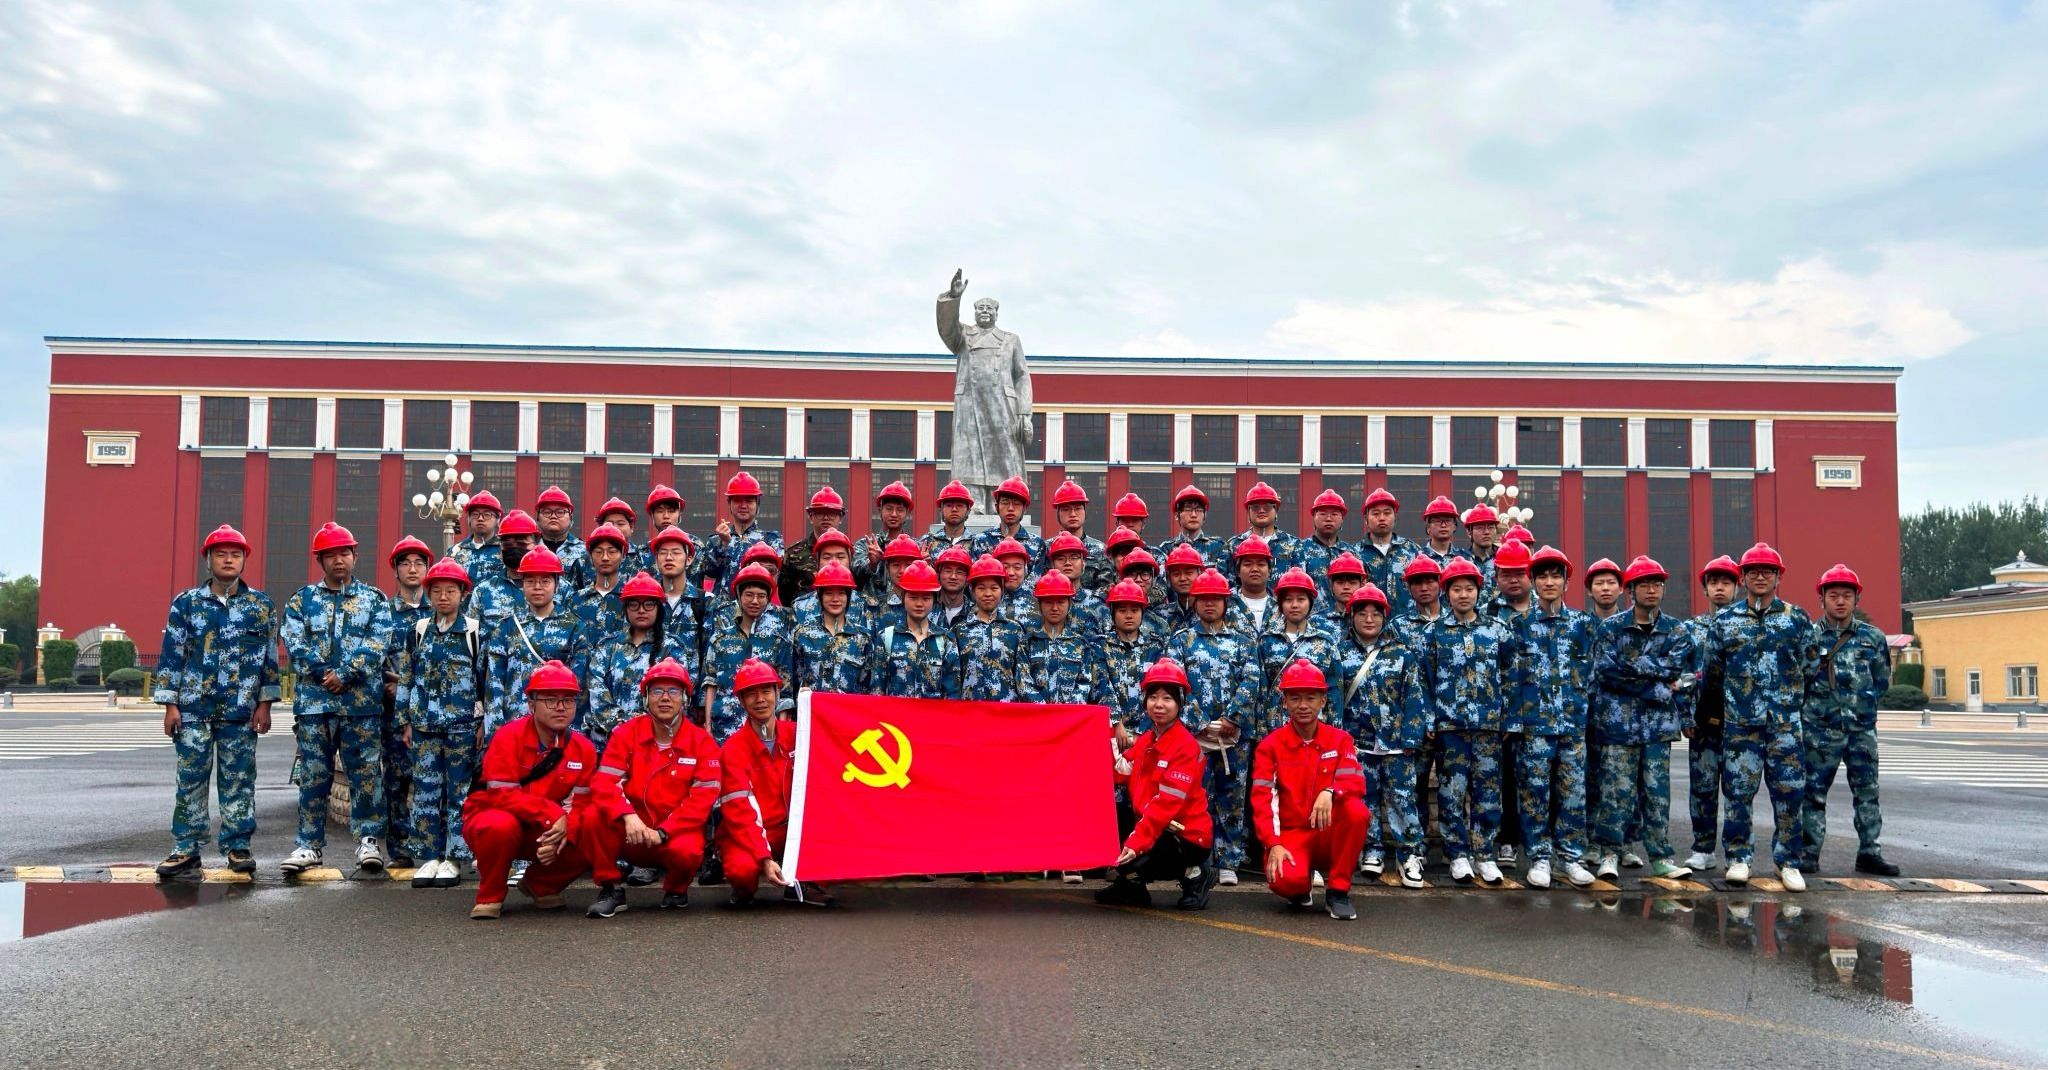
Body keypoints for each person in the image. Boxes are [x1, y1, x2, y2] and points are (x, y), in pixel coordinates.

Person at [152, 525, 280, 878]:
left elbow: (270, 659)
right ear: (208, 560)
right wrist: (170, 704)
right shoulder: (187, 604)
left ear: (244, 560)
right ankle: (186, 848)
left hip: (240, 711)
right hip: (193, 709)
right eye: (221, 554)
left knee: (239, 780)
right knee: (190, 779)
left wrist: (266, 703)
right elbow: (172, 654)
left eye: (235, 555)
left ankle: (238, 847)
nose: (228, 560)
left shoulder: (261, 607)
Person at [279, 522, 396, 875]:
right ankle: (308, 844)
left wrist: (345, 674)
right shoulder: (301, 601)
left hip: (361, 706)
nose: (339, 560)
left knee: (366, 776)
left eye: (345, 553)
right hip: (315, 706)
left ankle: (368, 841)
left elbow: (378, 643)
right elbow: (295, 643)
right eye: (330, 555)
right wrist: (323, 673)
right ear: (320, 560)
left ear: (355, 556)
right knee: (314, 776)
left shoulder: (374, 600)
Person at [1702, 542, 1815, 891]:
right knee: (1737, 794)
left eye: (1768, 571)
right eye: (1753, 571)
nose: (1760, 576)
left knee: (1790, 795)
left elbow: (1810, 666)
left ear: (1779, 576)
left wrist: (1789, 703)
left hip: (1784, 726)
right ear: (1743, 577)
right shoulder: (1725, 621)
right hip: (1741, 726)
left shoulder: (1796, 619)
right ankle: (1738, 858)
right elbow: (1713, 672)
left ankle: (1788, 861)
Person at [582, 658, 723, 916]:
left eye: (674, 691)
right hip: (632, 831)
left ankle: (676, 890)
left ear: (685, 699)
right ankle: (611, 888)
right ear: (646, 697)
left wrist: (664, 832)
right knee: (593, 817)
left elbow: (702, 800)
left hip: (674, 833)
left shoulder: (702, 742)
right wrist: (627, 816)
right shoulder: (626, 733)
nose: (665, 698)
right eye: (657, 691)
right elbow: (604, 783)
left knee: (688, 851)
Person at [460, 661, 597, 920]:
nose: (560, 707)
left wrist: (565, 830)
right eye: (550, 699)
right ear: (531, 704)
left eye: (568, 700)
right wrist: (553, 815)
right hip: (495, 816)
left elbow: (583, 804)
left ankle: (541, 884)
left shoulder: (583, 749)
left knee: (596, 826)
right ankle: (490, 894)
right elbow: (501, 795)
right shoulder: (507, 737)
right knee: (499, 825)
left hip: (542, 826)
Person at [1591, 556, 1696, 881]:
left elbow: (1678, 669)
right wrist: (1657, 685)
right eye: (1644, 584)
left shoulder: (1677, 630)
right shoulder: (1611, 628)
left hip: (1657, 729)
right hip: (1618, 725)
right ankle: (1609, 853)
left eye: (1657, 584)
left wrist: (1631, 665)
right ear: (1631, 590)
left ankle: (1661, 857)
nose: (1651, 589)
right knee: (1615, 793)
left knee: (1657, 795)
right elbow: (1606, 672)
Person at [1417, 557, 1520, 885]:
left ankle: (1484, 854)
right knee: (1451, 792)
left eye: (1469, 589)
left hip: (1489, 726)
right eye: (1456, 589)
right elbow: (1423, 680)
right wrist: (1429, 719)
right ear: (1446, 593)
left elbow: (1511, 676)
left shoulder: (1497, 629)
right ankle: (1458, 854)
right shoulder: (1434, 632)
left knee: (1488, 793)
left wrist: (1510, 719)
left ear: (1479, 591)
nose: (1463, 595)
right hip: (1451, 728)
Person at [1253, 660, 1372, 920]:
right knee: (1286, 881)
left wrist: (1331, 791)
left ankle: (1338, 891)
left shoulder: (1340, 740)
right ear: (1285, 702)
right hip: (1292, 833)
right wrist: (1273, 844)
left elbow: (1355, 782)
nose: (1303, 705)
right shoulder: (1269, 746)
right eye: (1295, 698)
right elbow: (1262, 801)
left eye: (1310, 698)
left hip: (1327, 831)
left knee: (1357, 812)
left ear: (1323, 701)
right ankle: (1301, 882)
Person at [1163, 567, 1258, 884]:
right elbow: (1174, 684)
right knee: (1197, 798)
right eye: (1203, 598)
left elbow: (1251, 681)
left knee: (1232, 798)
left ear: (1225, 603)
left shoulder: (1243, 642)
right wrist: (1201, 722)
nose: (1209, 604)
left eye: (1216, 599)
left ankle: (1229, 859)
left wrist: (1232, 718)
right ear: (1194, 602)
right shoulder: (1181, 641)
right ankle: (1198, 858)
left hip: (1234, 736)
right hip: (1195, 736)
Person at [1096, 659, 1216, 910]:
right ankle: (1133, 888)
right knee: (1114, 842)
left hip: (1185, 835)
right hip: (1155, 826)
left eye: (1167, 698)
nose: (1159, 704)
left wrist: (1135, 843)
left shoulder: (1185, 747)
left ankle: (1196, 874)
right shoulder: (1147, 740)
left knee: (1132, 857)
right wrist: (1102, 736)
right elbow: (1119, 771)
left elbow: (1165, 806)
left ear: (1180, 704)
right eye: (1153, 697)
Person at [1802, 564, 1897, 877]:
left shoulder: (1873, 637)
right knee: (1813, 794)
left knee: (1868, 794)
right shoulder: (1809, 638)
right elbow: (1799, 683)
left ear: (1857, 599)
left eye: (1847, 595)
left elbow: (1881, 680)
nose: (1840, 601)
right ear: (1822, 599)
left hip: (1861, 730)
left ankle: (1870, 853)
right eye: (1833, 595)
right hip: (1820, 731)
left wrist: (1860, 707)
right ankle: (1808, 854)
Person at [397, 558, 486, 889]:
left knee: (458, 792)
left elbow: (485, 681)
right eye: (437, 591)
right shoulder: (418, 631)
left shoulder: (474, 632)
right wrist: (405, 720)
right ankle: (429, 856)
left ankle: (454, 857)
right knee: (425, 791)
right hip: (424, 725)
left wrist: (482, 723)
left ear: (463, 594)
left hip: (462, 727)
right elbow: (407, 678)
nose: (444, 597)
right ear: (429, 594)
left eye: (451, 590)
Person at [1513, 546, 1599, 889]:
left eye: (1555, 576)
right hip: (1534, 727)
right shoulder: (1519, 626)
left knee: (1573, 793)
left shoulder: (1583, 625)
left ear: (1566, 582)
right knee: (1534, 794)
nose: (1549, 582)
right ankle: (1539, 857)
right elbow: (1510, 679)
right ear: (1533, 582)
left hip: (1573, 726)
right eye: (1542, 577)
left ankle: (1571, 857)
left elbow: (1595, 673)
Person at [1333, 585, 1429, 888]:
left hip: (1396, 742)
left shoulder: (1401, 653)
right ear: (1352, 616)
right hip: (1357, 742)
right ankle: (1371, 849)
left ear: (1385, 617)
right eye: (1362, 613)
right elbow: (1334, 698)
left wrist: (1411, 738)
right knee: (1365, 799)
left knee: (1402, 799)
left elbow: (1414, 697)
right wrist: (1339, 739)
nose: (1369, 619)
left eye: (1376, 613)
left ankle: (1409, 854)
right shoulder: (1340, 652)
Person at [718, 658, 826, 905]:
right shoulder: (733, 750)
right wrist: (764, 858)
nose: (760, 700)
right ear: (741, 701)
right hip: (751, 833)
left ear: (778, 694)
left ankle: (802, 883)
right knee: (742, 871)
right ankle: (744, 890)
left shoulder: (800, 734)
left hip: (793, 832)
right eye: (751, 694)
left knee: (837, 851)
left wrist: (816, 706)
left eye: (766, 691)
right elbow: (739, 813)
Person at [482, 546, 587, 736]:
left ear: (557, 584)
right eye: (530, 581)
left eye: (545, 581)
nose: (537, 587)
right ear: (522, 584)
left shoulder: (574, 627)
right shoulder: (506, 627)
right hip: (514, 726)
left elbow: (578, 685)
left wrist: (571, 732)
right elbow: (494, 683)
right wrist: (495, 732)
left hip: (557, 727)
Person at [583, 571, 691, 751]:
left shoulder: (672, 648)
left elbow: (676, 695)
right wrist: (619, 725)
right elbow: (596, 689)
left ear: (658, 608)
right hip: (609, 742)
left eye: (648, 604)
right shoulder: (607, 647)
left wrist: (638, 727)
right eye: (634, 604)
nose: (641, 610)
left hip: (654, 743)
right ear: (625, 609)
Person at [1682, 554, 1740, 872]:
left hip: (1740, 722)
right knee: (1702, 787)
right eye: (1714, 582)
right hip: (1703, 722)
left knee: (1737, 790)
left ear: (1736, 587)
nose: (1720, 588)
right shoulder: (1690, 630)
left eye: (1726, 582)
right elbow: (1681, 675)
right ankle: (1703, 848)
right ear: (1705, 589)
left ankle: (1736, 853)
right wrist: (1686, 714)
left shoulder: (1747, 626)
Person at [381, 536, 434, 867]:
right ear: (395, 570)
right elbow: (372, 659)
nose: (413, 569)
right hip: (393, 713)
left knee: (432, 781)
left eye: (419, 563)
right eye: (406, 564)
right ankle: (400, 849)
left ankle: (432, 846)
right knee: (396, 780)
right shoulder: (383, 613)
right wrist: (388, 685)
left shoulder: (440, 610)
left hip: (432, 711)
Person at [700, 563, 796, 740]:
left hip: (765, 734)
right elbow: (710, 683)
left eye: (761, 596)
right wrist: (708, 727)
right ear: (739, 596)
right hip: (725, 731)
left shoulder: (778, 642)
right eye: (749, 595)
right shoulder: (719, 640)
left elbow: (785, 692)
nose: (755, 601)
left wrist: (780, 733)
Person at [868, 561, 963, 699]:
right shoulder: (886, 637)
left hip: (933, 713)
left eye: (926, 598)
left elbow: (952, 694)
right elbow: (877, 691)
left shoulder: (946, 640)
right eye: (913, 597)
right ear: (903, 598)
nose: (919, 604)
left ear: (934, 600)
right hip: (895, 713)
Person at [1093, 580, 1167, 733]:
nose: (1128, 616)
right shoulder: (1101, 646)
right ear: (1112, 613)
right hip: (1111, 728)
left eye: (1134, 610)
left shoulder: (1155, 647)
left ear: (1142, 613)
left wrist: (1143, 730)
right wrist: (1116, 722)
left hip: (1150, 729)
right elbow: (1101, 686)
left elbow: (1159, 691)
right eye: (1122, 611)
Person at [791, 562, 875, 695]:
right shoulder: (802, 634)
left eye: (841, 593)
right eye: (829, 593)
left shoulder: (863, 638)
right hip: (812, 707)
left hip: (847, 708)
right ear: (820, 597)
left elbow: (868, 688)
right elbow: (793, 681)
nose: (835, 599)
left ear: (848, 597)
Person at [957, 556, 1025, 702]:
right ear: (972, 591)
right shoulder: (959, 631)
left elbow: (1023, 679)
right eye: (981, 588)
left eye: (994, 588)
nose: (988, 594)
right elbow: (954, 681)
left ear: (1002, 591)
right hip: (970, 711)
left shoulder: (1015, 630)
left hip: (1006, 710)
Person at [702, 471, 783, 593]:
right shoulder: (716, 540)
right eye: (737, 501)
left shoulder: (771, 540)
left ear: (757, 504)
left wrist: (731, 546)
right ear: (729, 503)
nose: (743, 506)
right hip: (723, 604)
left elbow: (774, 574)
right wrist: (723, 545)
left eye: (749, 501)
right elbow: (709, 571)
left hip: (755, 602)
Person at [469, 509, 540, 626]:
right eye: (507, 543)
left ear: (536, 543)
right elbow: (471, 633)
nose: (514, 547)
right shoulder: (483, 591)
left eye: (521, 542)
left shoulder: (558, 589)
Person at [1355, 488, 1418, 616]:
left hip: (1407, 622)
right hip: (1369, 622)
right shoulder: (1355, 553)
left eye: (1387, 513)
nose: (1382, 518)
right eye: (1376, 514)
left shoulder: (1412, 551)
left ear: (1395, 517)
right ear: (1366, 518)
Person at [781, 486, 846, 605]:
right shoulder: (793, 553)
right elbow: (785, 594)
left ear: (840, 518)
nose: (826, 518)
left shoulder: (849, 553)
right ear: (811, 517)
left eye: (832, 513)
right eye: (820, 513)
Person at [855, 481, 918, 604]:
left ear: (908, 513)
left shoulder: (916, 547)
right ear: (880, 510)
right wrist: (872, 564)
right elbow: (855, 573)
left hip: (906, 609)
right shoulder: (866, 545)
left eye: (900, 510)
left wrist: (925, 566)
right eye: (889, 509)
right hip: (872, 610)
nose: (894, 514)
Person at [1046, 479, 1113, 591]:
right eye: (1066, 509)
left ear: (1085, 511)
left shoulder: (1100, 549)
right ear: (1058, 513)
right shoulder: (1046, 548)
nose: (1073, 514)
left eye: (1077, 509)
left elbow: (1105, 589)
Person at [1226, 482, 1300, 579]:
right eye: (1255, 507)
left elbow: (1300, 579)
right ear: (1248, 512)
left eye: (1267, 506)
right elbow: (1229, 582)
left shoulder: (1294, 545)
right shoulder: (1233, 545)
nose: (1261, 510)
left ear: (1276, 510)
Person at [574, 522, 632, 642]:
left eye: (612, 552)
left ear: (623, 555)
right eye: (598, 552)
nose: (605, 558)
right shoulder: (575, 600)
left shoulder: (632, 600)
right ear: (590, 556)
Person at [968, 477, 1044, 564]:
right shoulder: (980, 541)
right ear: (996, 507)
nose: (1010, 508)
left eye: (1016, 503)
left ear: (1025, 508)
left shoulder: (1037, 544)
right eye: (1005, 502)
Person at [1295, 489, 1353, 600]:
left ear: (1342, 519)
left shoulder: (1351, 553)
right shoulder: (1299, 550)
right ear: (1314, 517)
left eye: (1334, 514)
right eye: (1323, 514)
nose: (1328, 518)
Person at [533, 486, 593, 591]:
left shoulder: (585, 551)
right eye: (547, 512)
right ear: (537, 517)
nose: (553, 516)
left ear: (571, 517)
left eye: (560, 512)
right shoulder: (529, 549)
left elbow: (590, 589)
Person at [1156, 485, 1225, 569]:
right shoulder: (1166, 549)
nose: (1194, 515)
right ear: (1177, 515)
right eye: (1188, 510)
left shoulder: (1218, 547)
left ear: (1204, 515)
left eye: (1198, 510)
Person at [1226, 536, 1280, 635]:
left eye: (1261, 564)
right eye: (1248, 564)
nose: (1254, 569)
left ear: (1269, 571)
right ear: (1238, 571)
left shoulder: (1281, 605)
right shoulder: (1225, 603)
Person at [448, 490, 504, 580]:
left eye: (487, 514)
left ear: (498, 521)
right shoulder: (455, 551)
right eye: (475, 514)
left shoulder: (505, 550)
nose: (480, 518)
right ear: (469, 519)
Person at [920, 480, 977, 560]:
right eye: (949, 505)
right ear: (941, 509)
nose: (954, 509)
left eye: (959, 505)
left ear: (968, 510)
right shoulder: (927, 543)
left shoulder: (977, 543)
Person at [592, 496, 646, 577]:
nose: (615, 528)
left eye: (620, 524)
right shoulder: (587, 559)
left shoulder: (643, 558)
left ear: (631, 527)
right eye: (609, 523)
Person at [1462, 504, 1502, 600]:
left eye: (1491, 527)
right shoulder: (1463, 561)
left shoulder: (1504, 558)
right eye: (1480, 527)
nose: (1486, 532)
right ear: (1469, 531)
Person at [1416, 496, 1465, 568]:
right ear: (1428, 527)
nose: (1443, 525)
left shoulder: (1465, 558)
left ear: (1454, 526)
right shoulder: (1416, 558)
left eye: (1448, 521)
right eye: (1437, 521)